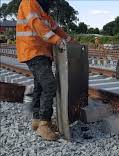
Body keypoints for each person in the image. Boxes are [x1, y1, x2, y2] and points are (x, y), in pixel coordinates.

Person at [16, 0, 74, 140]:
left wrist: (72, 41)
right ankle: (44, 123)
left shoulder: (44, 12)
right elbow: (37, 25)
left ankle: (37, 120)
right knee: (50, 85)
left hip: (42, 53)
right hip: (32, 51)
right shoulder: (29, 2)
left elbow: (56, 29)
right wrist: (57, 40)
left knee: (40, 86)